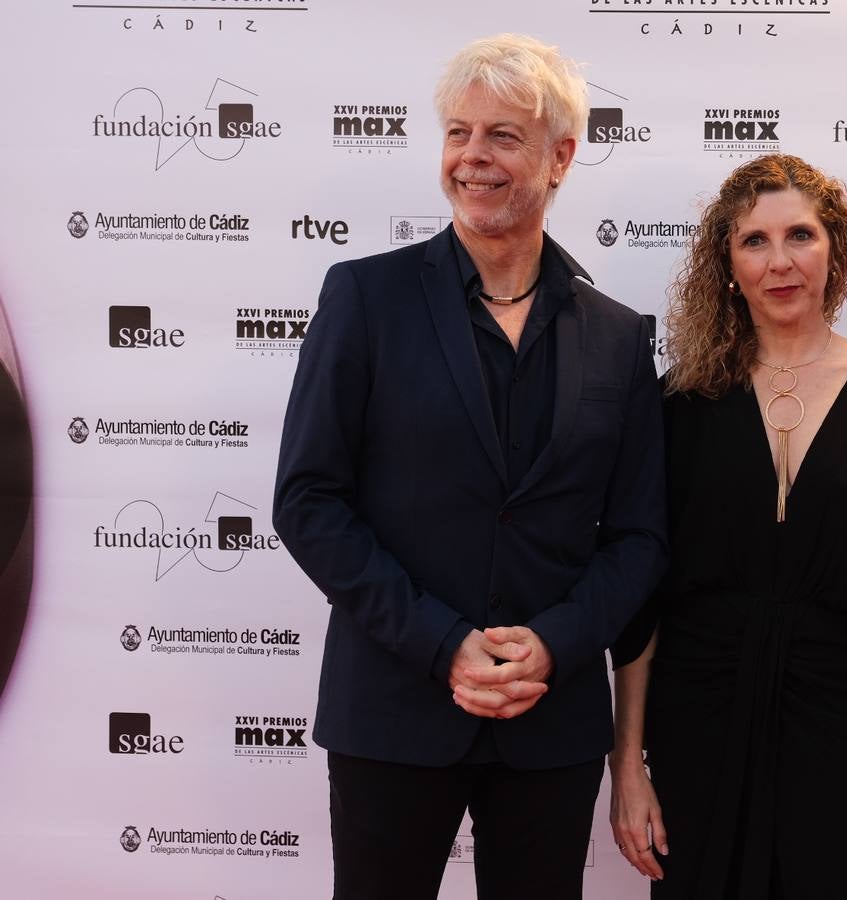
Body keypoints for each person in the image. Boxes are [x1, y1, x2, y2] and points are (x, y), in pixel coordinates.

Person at [272, 34, 666, 900]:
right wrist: (443, 644)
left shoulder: (618, 334)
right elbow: (308, 502)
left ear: (561, 156)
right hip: (393, 710)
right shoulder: (364, 299)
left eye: (502, 137)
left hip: (550, 723)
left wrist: (556, 646)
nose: (472, 159)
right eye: (458, 133)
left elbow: (640, 538)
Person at [608, 153, 847, 900]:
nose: (780, 263)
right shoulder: (680, 403)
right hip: (698, 731)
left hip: (841, 731)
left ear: (836, 247)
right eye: (754, 241)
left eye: (800, 236)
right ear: (727, 261)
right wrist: (627, 768)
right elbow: (642, 604)